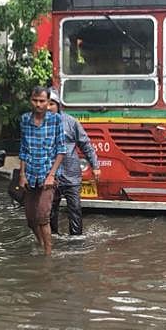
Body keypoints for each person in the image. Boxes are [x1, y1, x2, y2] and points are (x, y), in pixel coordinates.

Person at [18, 86, 66, 255]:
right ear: (30, 100)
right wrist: (22, 175)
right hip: (30, 174)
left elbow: (61, 150)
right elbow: (23, 149)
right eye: (35, 100)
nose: (38, 104)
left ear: (48, 102)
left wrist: (51, 175)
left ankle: (48, 254)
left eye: (42, 101)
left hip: (48, 174)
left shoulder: (56, 120)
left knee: (42, 216)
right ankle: (40, 244)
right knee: (31, 219)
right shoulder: (25, 119)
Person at [47, 89, 100, 236]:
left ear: (58, 105)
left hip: (71, 174)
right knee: (50, 209)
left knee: (75, 208)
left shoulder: (71, 122)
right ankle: (52, 237)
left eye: (51, 104)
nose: (48, 107)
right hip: (50, 175)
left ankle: (76, 239)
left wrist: (95, 166)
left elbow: (86, 145)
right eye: (46, 104)